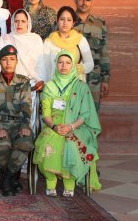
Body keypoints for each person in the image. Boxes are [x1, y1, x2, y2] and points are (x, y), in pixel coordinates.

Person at [33, 50, 102, 197]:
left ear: (73, 66)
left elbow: (85, 114)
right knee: (48, 144)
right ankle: (50, 181)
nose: (64, 65)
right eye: (60, 62)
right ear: (56, 64)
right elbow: (46, 114)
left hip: (77, 127)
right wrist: (55, 127)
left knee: (71, 144)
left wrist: (71, 126)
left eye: (68, 62)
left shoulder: (81, 87)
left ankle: (69, 183)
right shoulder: (50, 86)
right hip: (53, 126)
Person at [0, 45, 33, 196]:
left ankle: (7, 177)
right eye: (4, 60)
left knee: (25, 143)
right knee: (3, 145)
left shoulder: (23, 82)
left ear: (17, 61)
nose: (8, 63)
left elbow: (26, 105)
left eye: (12, 59)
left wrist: (24, 125)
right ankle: (10, 179)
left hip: (18, 123)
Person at [73, 0, 110, 112]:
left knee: (92, 114)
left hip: (94, 78)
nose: (84, 2)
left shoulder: (99, 24)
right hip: (72, 76)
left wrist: (105, 79)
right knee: (72, 112)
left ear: (92, 2)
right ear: (75, 0)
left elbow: (103, 52)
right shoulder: (67, 21)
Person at [44, 6, 94, 81]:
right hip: (55, 86)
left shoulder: (80, 40)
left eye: (69, 20)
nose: (65, 23)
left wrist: (77, 69)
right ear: (57, 21)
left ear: (73, 23)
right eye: (62, 19)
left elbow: (90, 64)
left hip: (75, 85)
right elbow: (46, 68)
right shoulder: (49, 42)